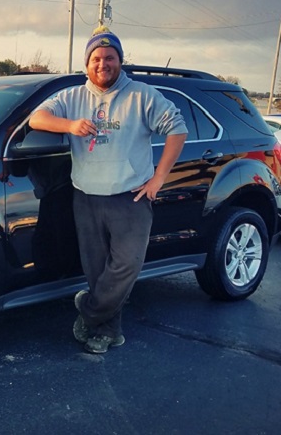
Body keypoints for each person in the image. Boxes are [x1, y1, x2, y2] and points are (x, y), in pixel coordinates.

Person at [29, 26, 188, 354]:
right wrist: (69, 125)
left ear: (120, 60)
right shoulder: (72, 98)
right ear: (87, 63)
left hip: (130, 197)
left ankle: (89, 309)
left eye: (110, 57)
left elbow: (177, 129)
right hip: (86, 197)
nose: (103, 63)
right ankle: (106, 332)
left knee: (127, 264)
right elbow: (37, 118)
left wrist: (159, 178)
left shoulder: (142, 95)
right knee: (98, 270)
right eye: (96, 58)